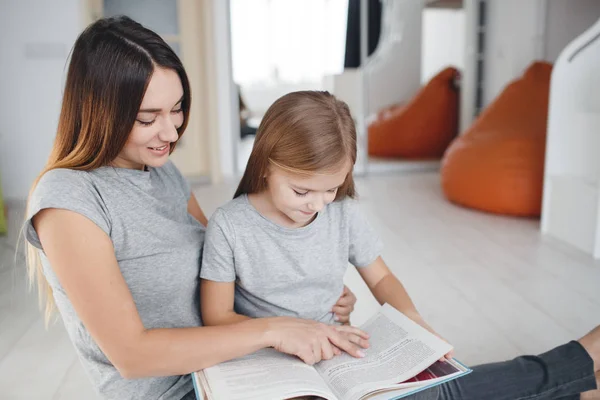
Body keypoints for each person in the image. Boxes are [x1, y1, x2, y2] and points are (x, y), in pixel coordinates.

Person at [24, 16, 368, 400]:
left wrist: (311, 296)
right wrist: (276, 329)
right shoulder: (69, 198)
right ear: (97, 111)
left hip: (238, 365)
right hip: (177, 390)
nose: (171, 133)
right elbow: (131, 356)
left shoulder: (163, 173)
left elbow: (227, 272)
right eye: (147, 118)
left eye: (177, 109)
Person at [199, 90, 600, 400]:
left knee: (435, 391)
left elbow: (382, 278)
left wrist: (413, 321)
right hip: (268, 363)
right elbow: (216, 316)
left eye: (331, 189)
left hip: (339, 358)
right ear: (267, 162)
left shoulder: (341, 212)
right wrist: (286, 331)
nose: (317, 204)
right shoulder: (230, 225)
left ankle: (574, 371)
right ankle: (575, 377)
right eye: (302, 190)